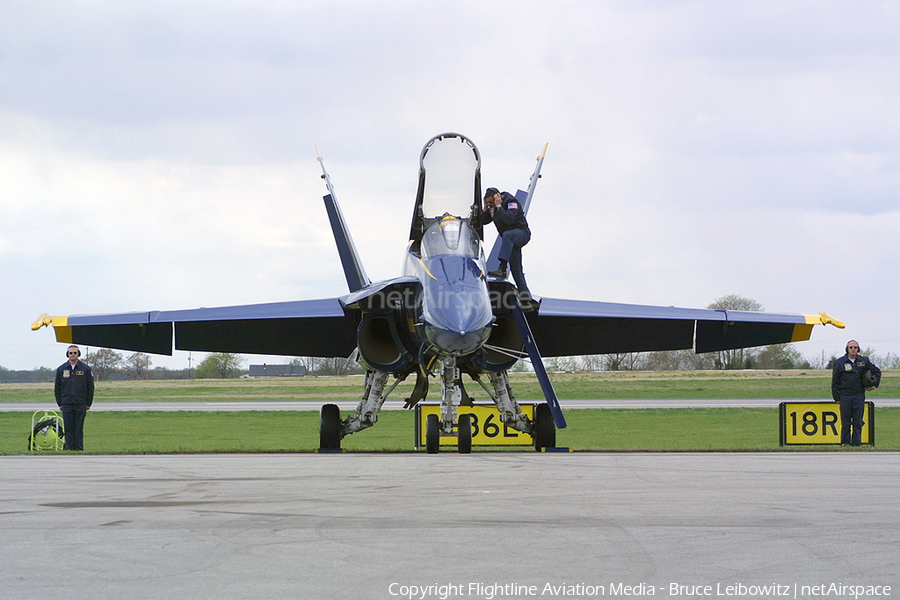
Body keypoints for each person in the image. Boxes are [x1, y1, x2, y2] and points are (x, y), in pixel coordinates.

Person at [480, 187, 535, 308]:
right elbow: (483, 221)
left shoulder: (511, 202)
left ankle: (502, 268)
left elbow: (509, 219)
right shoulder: (493, 208)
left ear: (497, 197)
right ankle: (526, 299)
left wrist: (499, 206)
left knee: (507, 235)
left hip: (522, 233)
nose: (489, 205)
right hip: (510, 240)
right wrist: (485, 209)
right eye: (487, 202)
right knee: (516, 270)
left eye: (490, 202)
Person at [831, 340, 880, 446]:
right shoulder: (840, 362)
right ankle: (845, 442)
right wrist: (837, 397)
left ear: (858, 349)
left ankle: (857, 443)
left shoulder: (863, 361)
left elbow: (877, 371)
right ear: (847, 349)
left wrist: (873, 385)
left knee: (857, 422)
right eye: (851, 347)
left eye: (855, 347)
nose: (853, 349)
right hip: (845, 396)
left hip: (859, 395)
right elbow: (835, 381)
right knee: (846, 422)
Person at [55, 345, 94, 450]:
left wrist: (88, 403)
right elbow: (57, 388)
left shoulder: (85, 369)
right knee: (68, 428)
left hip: (80, 403)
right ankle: (69, 447)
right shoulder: (61, 369)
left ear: (78, 354)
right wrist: (60, 403)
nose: (73, 355)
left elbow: (90, 387)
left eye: (75, 353)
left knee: (79, 427)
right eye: (71, 353)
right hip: (66, 403)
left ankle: (79, 448)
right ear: (67, 354)